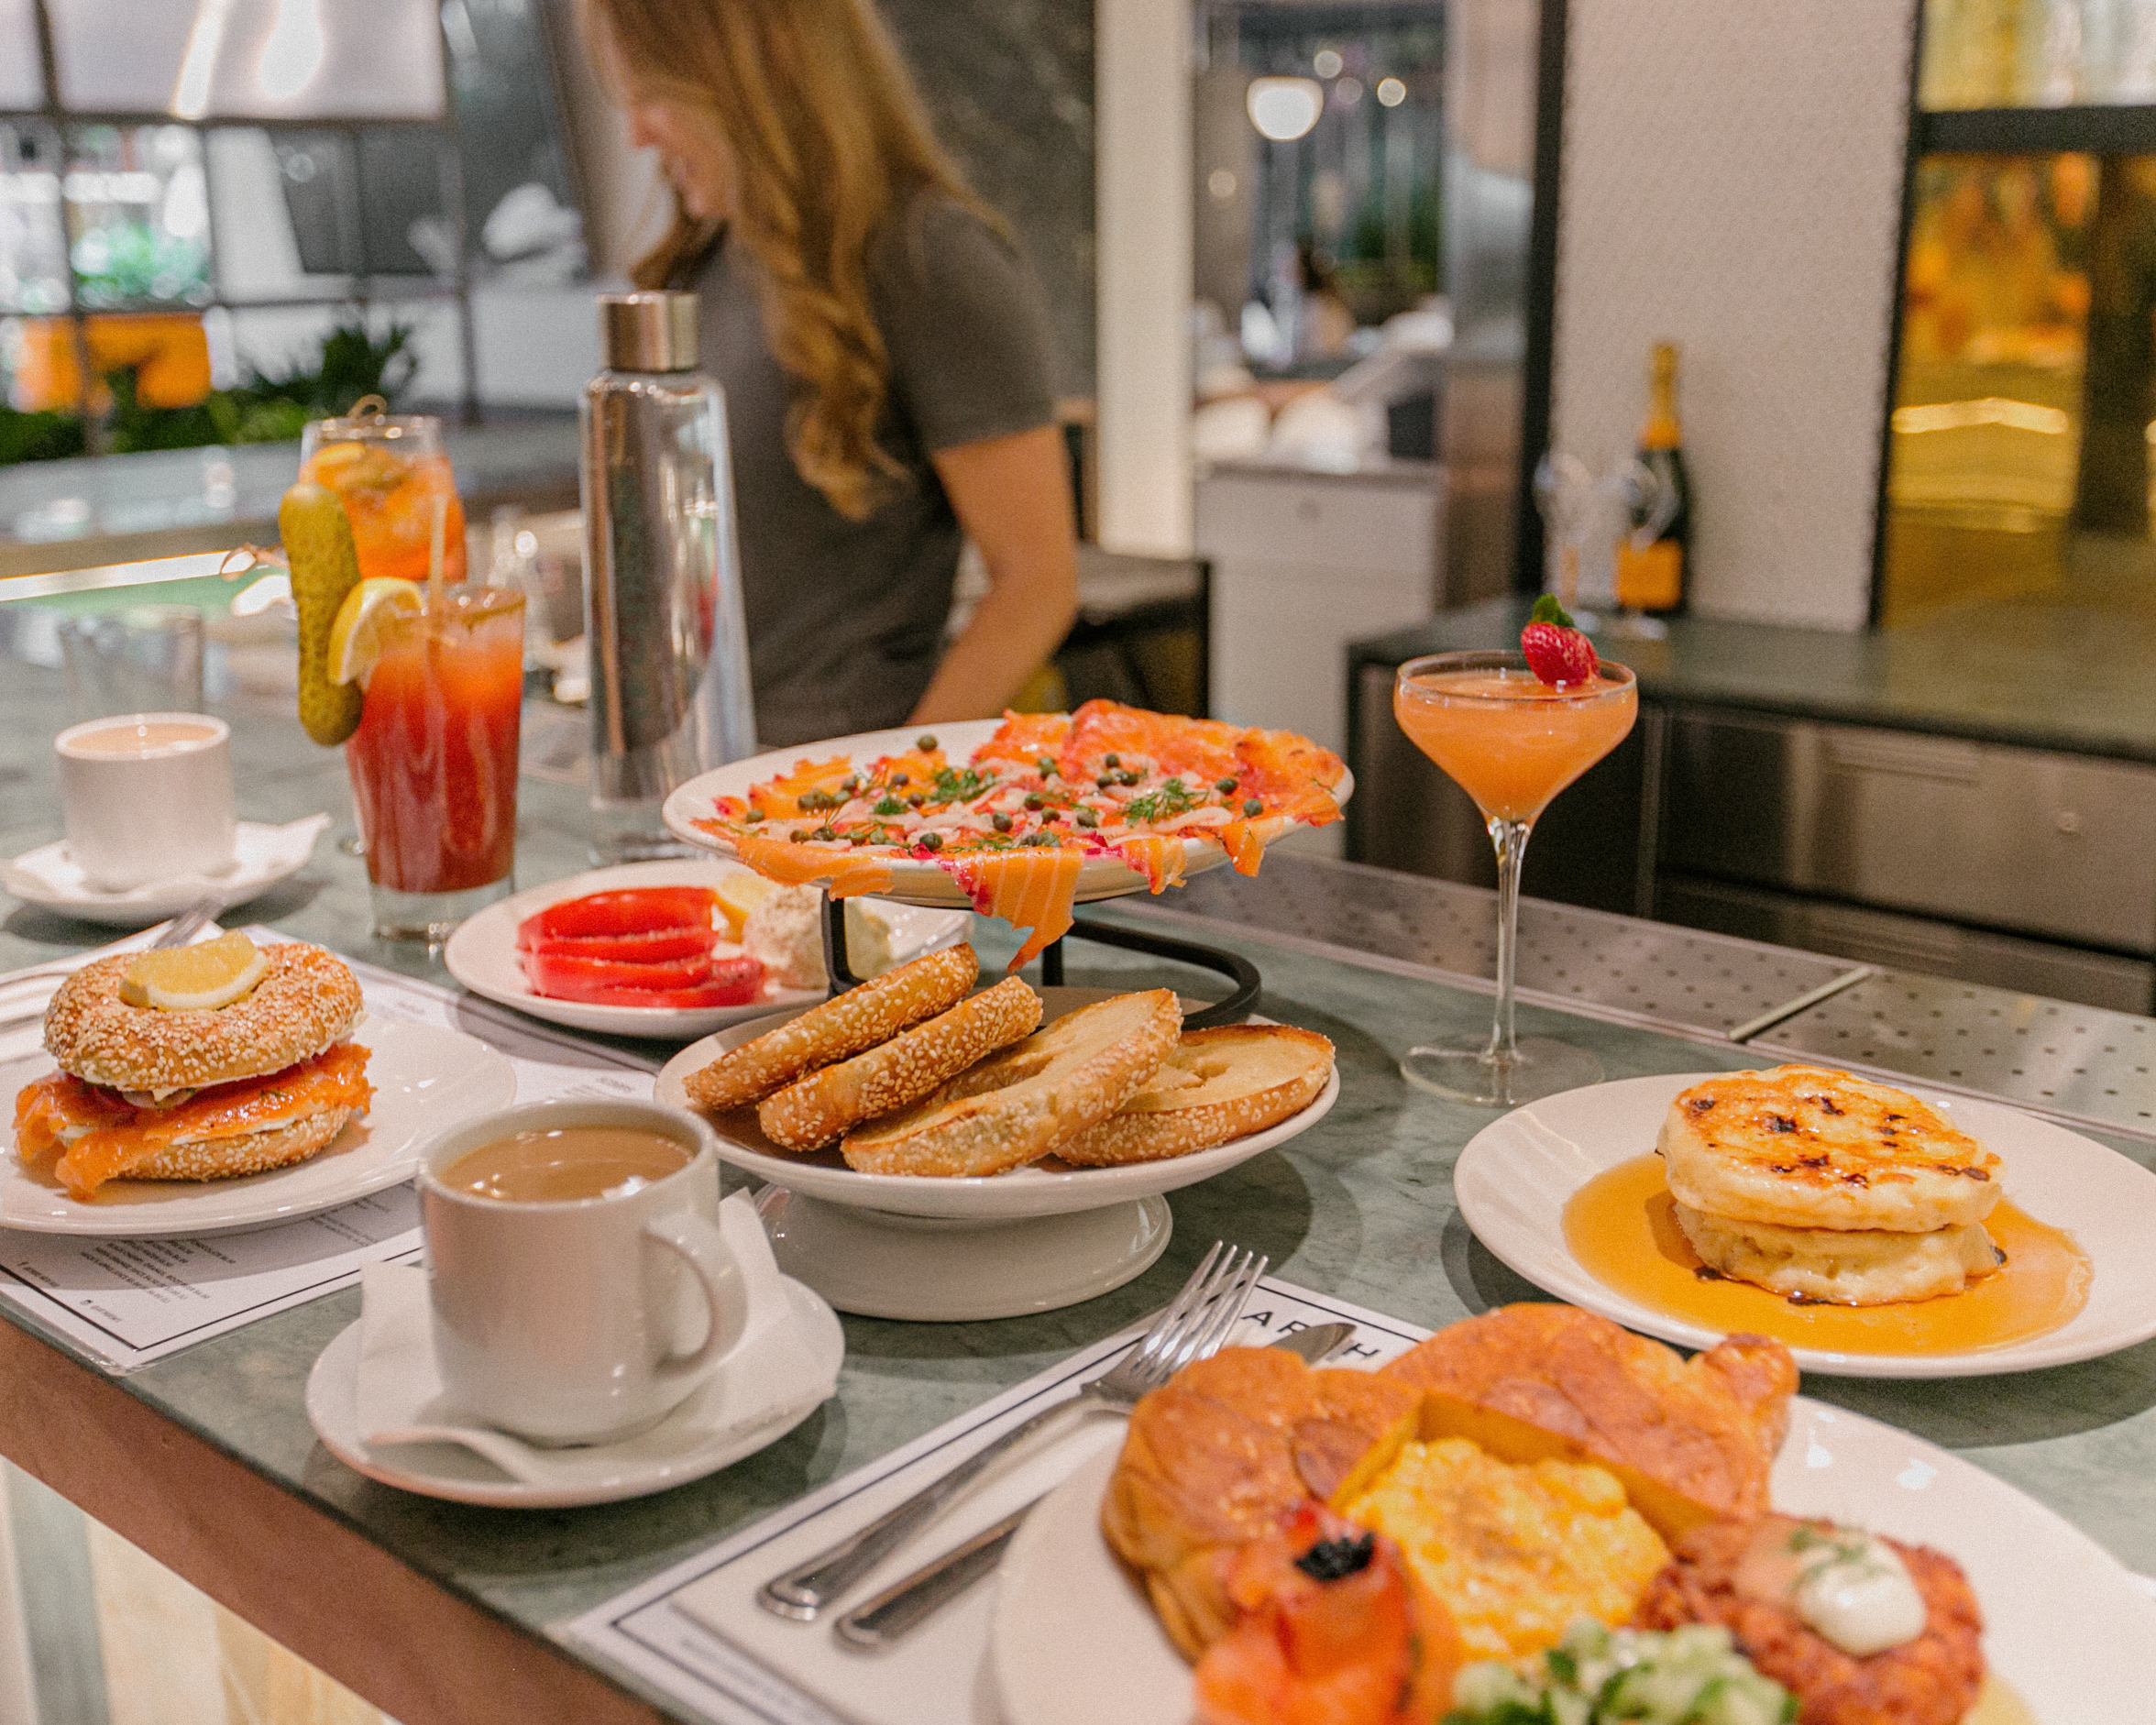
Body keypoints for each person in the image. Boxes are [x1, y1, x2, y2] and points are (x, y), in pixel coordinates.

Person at [581, 0, 1079, 748]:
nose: (636, 132)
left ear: (765, 57)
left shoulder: (928, 256)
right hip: (700, 787)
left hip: (823, 801)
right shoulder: (706, 260)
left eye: (657, 93)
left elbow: (1037, 584)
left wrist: (885, 790)